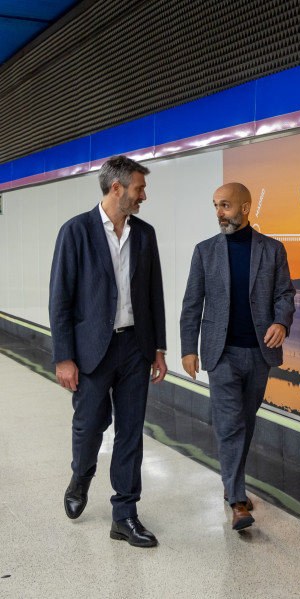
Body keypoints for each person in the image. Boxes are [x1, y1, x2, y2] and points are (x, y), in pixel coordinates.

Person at [49, 155, 167, 548]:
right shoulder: (76, 232)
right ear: (116, 188)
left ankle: (125, 514)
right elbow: (60, 299)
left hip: (135, 346)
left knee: (131, 432)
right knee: (89, 427)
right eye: (139, 188)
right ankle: (81, 476)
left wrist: (158, 349)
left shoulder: (145, 234)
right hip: (91, 350)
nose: (143, 196)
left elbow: (154, 295)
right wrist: (63, 356)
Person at [180, 182, 295, 530]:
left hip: (260, 354)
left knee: (244, 423)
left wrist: (281, 322)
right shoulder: (205, 252)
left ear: (245, 208)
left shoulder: (273, 250)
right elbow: (191, 304)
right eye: (216, 206)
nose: (219, 214)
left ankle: (232, 483)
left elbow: (285, 294)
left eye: (226, 206)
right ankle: (237, 501)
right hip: (222, 354)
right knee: (230, 425)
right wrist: (188, 348)